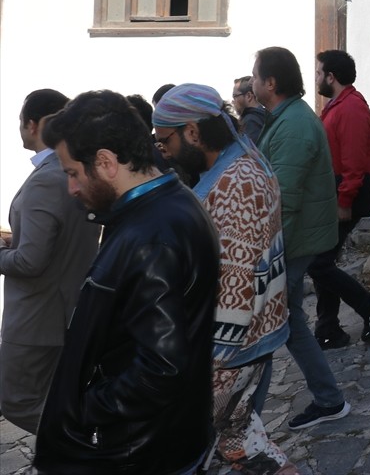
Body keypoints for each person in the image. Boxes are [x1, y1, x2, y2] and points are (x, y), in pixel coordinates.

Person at [35, 91, 219, 474]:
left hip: (143, 450)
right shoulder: (169, 203)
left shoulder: (151, 236)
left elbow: (161, 368)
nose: (71, 188)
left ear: (104, 162)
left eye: (72, 173)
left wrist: (82, 408)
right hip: (164, 439)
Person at [151, 84, 296, 475]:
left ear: (194, 132)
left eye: (165, 139)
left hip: (230, 350)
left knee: (199, 447)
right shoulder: (241, 156)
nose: (161, 148)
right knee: (242, 444)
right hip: (249, 340)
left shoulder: (236, 182)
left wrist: (208, 362)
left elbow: (235, 282)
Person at [252, 46, 350, 430]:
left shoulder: (292, 125)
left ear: (270, 83)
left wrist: (265, 256)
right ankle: (328, 399)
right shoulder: (286, 117)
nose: (253, 82)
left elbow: (284, 200)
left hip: (291, 243)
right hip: (295, 241)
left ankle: (245, 422)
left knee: (265, 328)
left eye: (256, 76)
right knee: (288, 321)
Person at [0, 89, 101, 434]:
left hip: (37, 314)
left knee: (17, 400)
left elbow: (31, 262)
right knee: (53, 394)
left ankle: (86, 446)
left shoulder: (47, 179)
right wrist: (16, 240)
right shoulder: (72, 171)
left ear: (32, 124)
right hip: (64, 306)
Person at [313, 51, 370, 348]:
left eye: (320, 72)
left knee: (318, 262)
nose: (317, 77)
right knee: (324, 261)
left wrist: (344, 201)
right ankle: (328, 328)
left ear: (331, 77)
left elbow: (354, 162)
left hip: (345, 196)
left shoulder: (351, 109)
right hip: (335, 194)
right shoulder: (338, 105)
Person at [233, 76, 268, 144]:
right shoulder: (266, 116)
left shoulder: (250, 121)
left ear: (249, 96)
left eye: (235, 96)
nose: (233, 101)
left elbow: (251, 152)